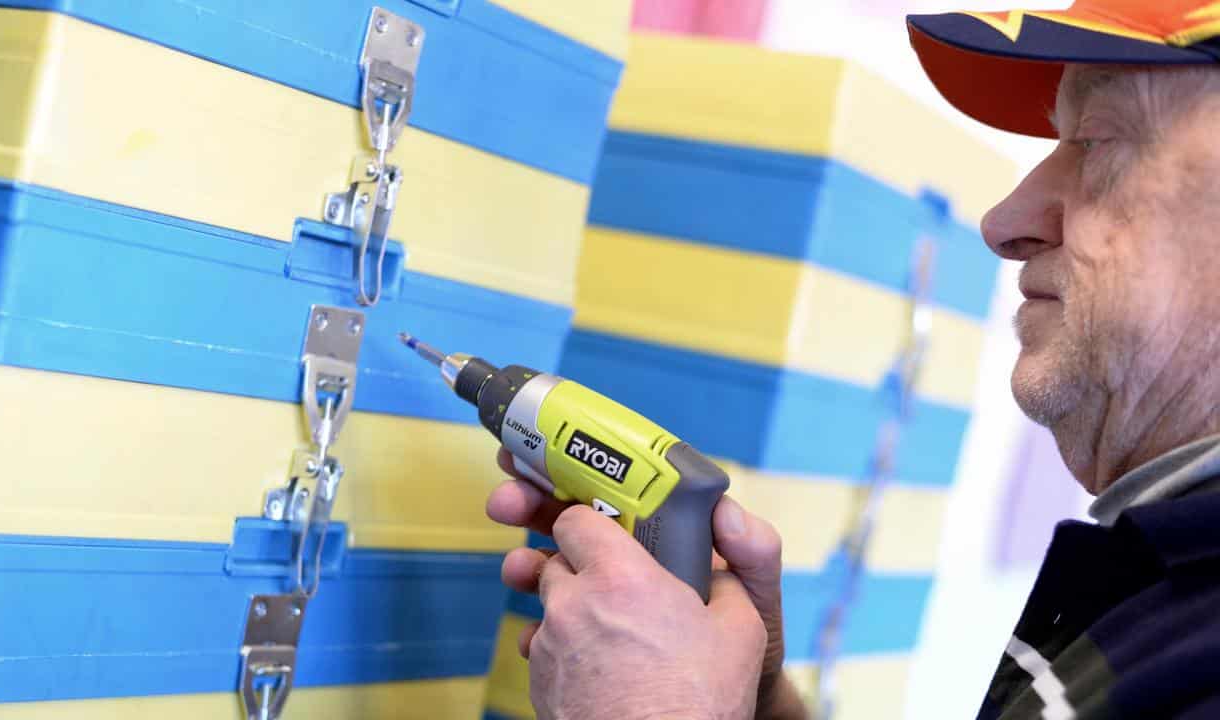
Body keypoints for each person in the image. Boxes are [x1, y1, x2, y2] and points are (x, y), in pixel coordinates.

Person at [484, 2, 1220, 718]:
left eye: (1095, 141)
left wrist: (645, 708)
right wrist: (746, 703)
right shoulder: (1157, 582)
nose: (1004, 223)